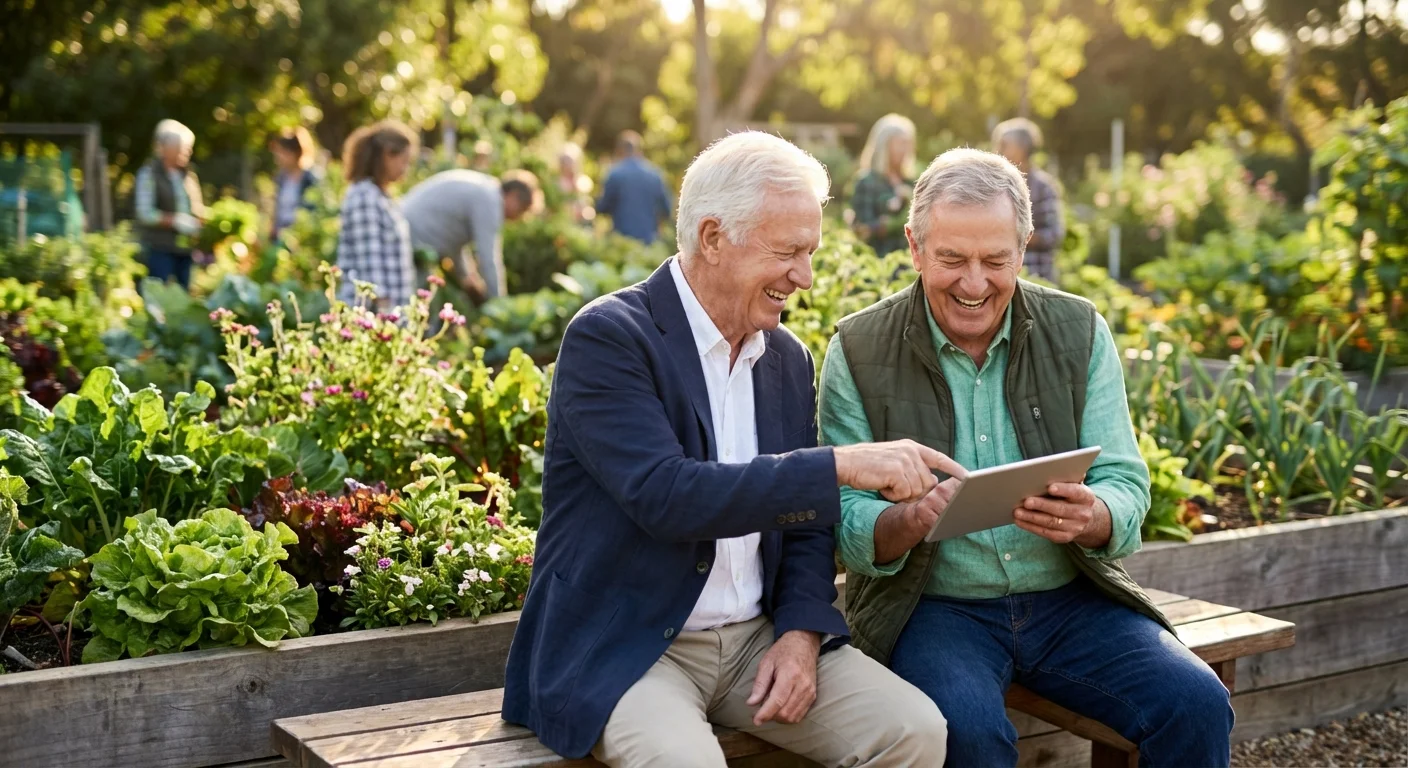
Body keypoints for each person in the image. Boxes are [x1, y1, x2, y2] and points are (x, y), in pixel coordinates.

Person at [502, 131, 955, 768]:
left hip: (757, 641)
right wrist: (841, 465)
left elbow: (807, 529)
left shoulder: (788, 360)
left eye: (811, 251)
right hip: (630, 647)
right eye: (788, 251)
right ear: (713, 238)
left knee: (913, 731)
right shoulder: (609, 338)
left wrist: (799, 634)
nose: (804, 275)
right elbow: (668, 496)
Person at [819, 148, 1235, 767]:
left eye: (996, 260)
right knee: (968, 735)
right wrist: (906, 522)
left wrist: (1093, 514)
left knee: (1196, 703)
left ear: (1025, 245)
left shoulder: (1080, 329)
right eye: (951, 259)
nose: (974, 283)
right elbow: (843, 516)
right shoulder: (856, 348)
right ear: (914, 245)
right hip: (933, 608)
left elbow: (1124, 479)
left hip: (1072, 600)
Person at [400, 169, 540, 303]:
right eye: (521, 210)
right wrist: (499, 303)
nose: (518, 218)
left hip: (409, 229)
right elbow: (488, 258)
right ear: (513, 196)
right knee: (417, 301)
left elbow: (456, 245)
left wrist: (467, 278)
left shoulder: (486, 190)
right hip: (413, 236)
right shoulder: (490, 202)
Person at [335, 120, 417, 309]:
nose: (406, 169)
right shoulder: (365, 196)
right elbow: (369, 260)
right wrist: (383, 311)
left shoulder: (382, 196)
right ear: (387, 155)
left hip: (391, 310)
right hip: (371, 312)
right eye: (404, 161)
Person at [134, 119, 206, 289]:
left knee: (183, 297)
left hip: (185, 249)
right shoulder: (149, 174)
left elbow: (196, 207)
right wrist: (175, 220)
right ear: (167, 149)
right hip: (160, 248)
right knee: (160, 295)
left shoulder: (188, 176)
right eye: (183, 147)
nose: (188, 152)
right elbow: (145, 213)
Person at [993, 118, 1064, 282]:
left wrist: (1014, 236)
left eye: (1004, 145)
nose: (998, 150)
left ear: (1022, 149)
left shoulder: (1044, 187)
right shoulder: (994, 185)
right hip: (1000, 274)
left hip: (1036, 275)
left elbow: (1054, 234)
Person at [848, 114, 916, 258]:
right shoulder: (866, 182)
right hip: (879, 262)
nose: (904, 149)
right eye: (899, 143)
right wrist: (894, 224)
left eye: (907, 144)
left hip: (908, 261)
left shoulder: (910, 182)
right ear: (884, 145)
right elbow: (863, 229)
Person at [595, 130, 672, 244]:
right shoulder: (655, 174)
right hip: (649, 241)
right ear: (639, 150)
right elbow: (666, 210)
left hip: (622, 241)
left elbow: (602, 207)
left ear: (619, 150)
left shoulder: (614, 174)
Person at [268, 126, 320, 241]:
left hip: (301, 236)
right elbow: (278, 208)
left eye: (281, 152)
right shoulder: (281, 178)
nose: (278, 157)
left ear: (293, 153)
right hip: (281, 235)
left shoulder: (311, 178)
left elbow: (314, 211)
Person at [554, 142, 594, 224]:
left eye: (570, 161)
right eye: (565, 161)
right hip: (561, 221)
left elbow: (588, 205)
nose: (568, 164)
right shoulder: (555, 182)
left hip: (580, 223)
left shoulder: (584, 182)